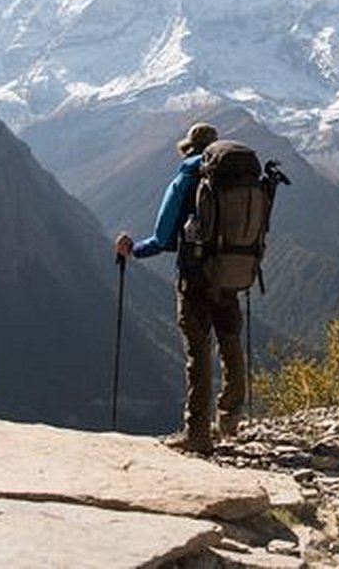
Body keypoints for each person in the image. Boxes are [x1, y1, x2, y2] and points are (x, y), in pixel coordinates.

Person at [115, 122, 245, 454]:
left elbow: (163, 237)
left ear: (190, 148)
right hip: (232, 271)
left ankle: (197, 433)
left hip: (196, 278)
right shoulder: (239, 177)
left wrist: (134, 250)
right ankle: (230, 418)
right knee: (230, 343)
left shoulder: (187, 177)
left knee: (198, 352)